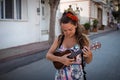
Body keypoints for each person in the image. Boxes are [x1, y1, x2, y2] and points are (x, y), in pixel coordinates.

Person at [46, 11, 92, 80]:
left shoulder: (83, 40)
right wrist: (60, 59)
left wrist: (90, 55)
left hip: (77, 78)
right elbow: (48, 55)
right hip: (60, 77)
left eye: (70, 29)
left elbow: (88, 61)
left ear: (76, 25)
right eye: (65, 30)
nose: (68, 33)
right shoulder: (60, 39)